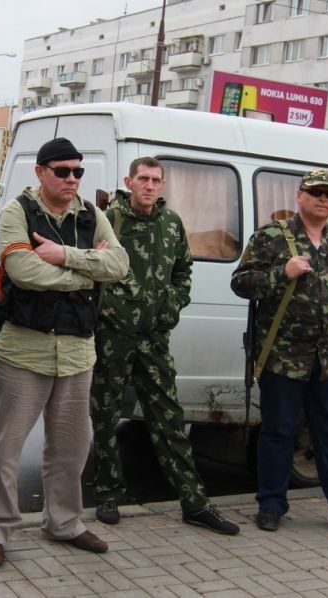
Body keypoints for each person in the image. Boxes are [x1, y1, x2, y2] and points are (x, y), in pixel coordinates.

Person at [0, 138, 128, 567]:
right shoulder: (17, 212)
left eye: (78, 171)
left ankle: (64, 522)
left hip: (78, 352)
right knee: (5, 448)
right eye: (63, 171)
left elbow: (119, 265)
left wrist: (63, 256)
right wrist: (85, 274)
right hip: (24, 350)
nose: (73, 179)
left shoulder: (91, 214)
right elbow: (22, 271)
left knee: (73, 447)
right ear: (40, 172)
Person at [231, 169, 328, 540]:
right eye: (315, 192)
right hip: (284, 356)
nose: (323, 199)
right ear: (299, 195)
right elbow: (241, 283)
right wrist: (280, 273)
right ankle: (271, 504)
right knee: (278, 433)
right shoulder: (272, 238)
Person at [90, 157, 240, 535]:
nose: (150, 186)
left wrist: (172, 305)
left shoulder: (171, 223)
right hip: (114, 336)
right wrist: (110, 310)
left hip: (154, 337)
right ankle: (108, 493)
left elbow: (183, 270)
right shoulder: (108, 219)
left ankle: (194, 501)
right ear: (129, 180)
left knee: (168, 418)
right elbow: (91, 268)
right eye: (143, 179)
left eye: (157, 180)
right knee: (105, 415)